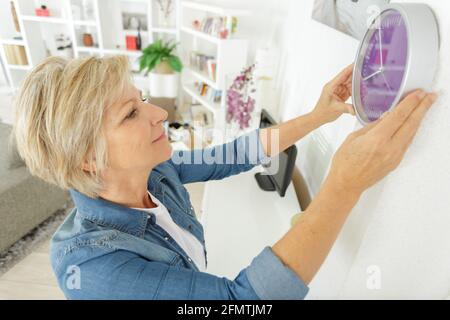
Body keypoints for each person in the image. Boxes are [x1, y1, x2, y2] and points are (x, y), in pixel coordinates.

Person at [12, 56, 436, 299]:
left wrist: (319, 114)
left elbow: (231, 156)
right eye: (131, 113)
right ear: (88, 158)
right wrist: (345, 184)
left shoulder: (155, 173)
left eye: (141, 98)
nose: (159, 113)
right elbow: (242, 303)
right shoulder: (95, 266)